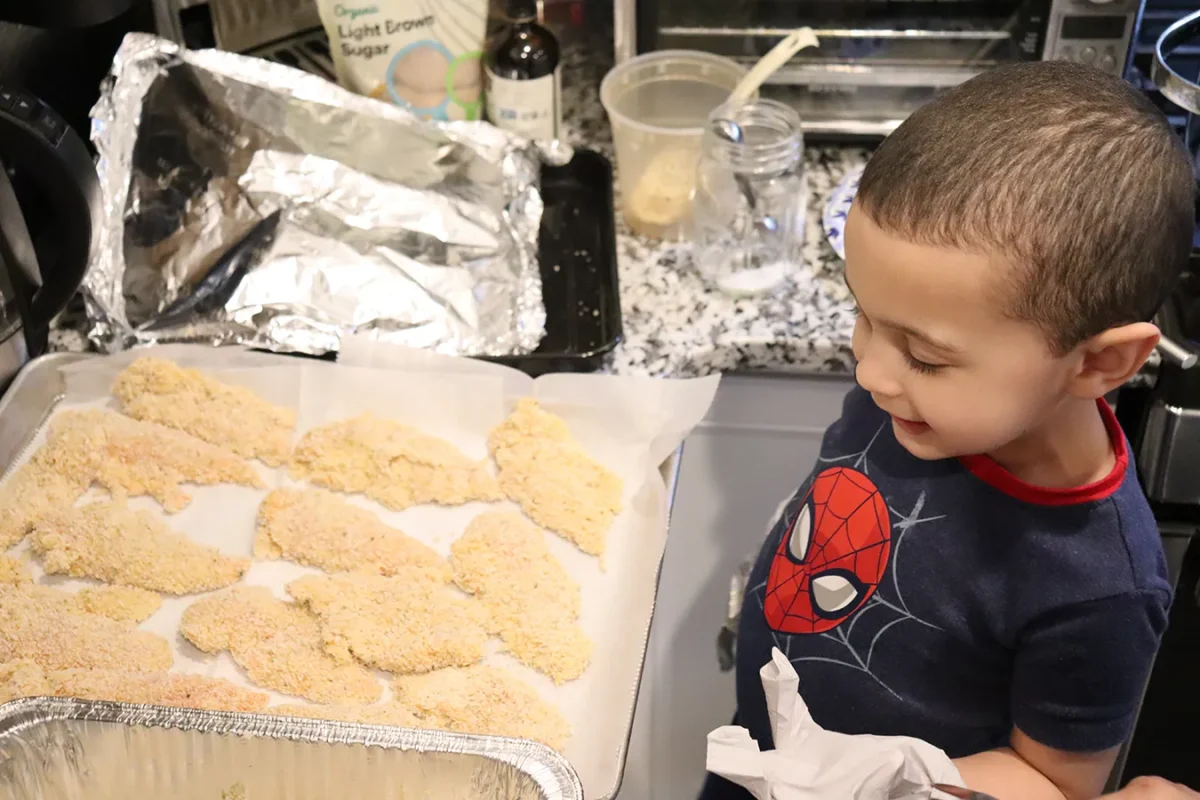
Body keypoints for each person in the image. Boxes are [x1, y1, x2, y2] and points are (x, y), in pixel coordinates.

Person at [700, 61, 1196, 800]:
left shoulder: (1100, 587)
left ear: (1099, 363)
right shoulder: (912, 400)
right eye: (865, 315)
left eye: (926, 357)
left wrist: (892, 784)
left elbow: (1053, 780)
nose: (870, 369)